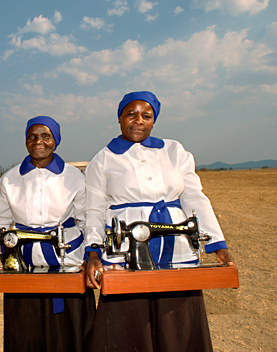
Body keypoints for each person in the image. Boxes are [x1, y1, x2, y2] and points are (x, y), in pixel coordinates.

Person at [84, 91, 234, 352]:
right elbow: (94, 209)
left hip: (177, 247)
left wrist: (217, 244)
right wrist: (93, 251)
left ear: (154, 120)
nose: (138, 120)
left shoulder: (175, 151)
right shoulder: (103, 158)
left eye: (146, 115)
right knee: (128, 322)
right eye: (131, 114)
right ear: (120, 118)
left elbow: (194, 198)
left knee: (177, 319)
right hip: (124, 250)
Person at [0, 116, 95, 352]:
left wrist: (92, 253)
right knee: (26, 330)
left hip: (66, 261)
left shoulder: (74, 178)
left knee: (67, 332)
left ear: (56, 141)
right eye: (32, 136)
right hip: (24, 263)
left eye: (45, 136)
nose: (39, 141)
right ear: (26, 141)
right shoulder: (10, 179)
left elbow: (86, 220)